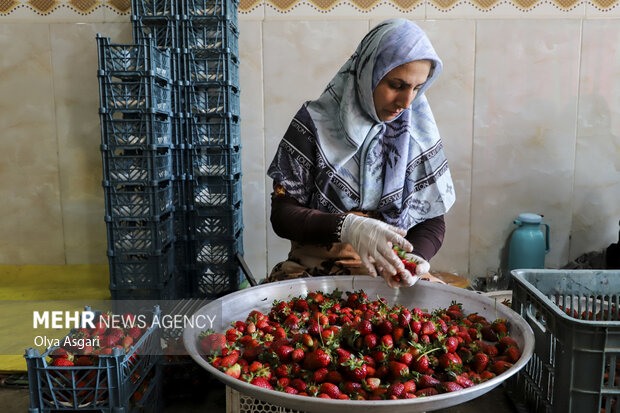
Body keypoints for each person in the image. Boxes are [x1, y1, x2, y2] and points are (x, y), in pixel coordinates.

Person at [265, 18, 455, 288]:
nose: (406, 102)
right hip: (313, 271)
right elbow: (282, 216)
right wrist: (348, 227)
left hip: (388, 272)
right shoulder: (314, 125)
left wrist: (414, 260)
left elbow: (432, 220)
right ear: (368, 73)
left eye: (417, 87)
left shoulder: (417, 135)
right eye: (397, 85)